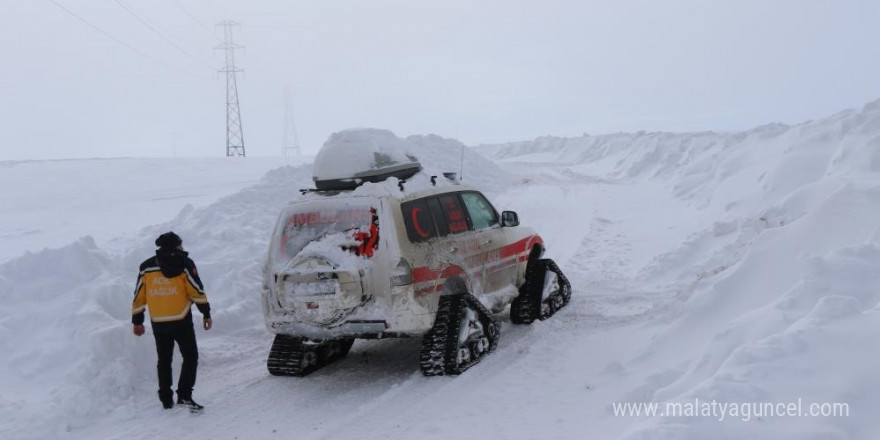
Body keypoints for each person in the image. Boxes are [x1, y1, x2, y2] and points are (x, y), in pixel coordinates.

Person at [131, 231, 212, 411]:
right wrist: (206, 312)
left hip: (158, 321)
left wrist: (137, 321)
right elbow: (196, 291)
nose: (182, 247)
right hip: (181, 319)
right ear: (176, 245)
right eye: (180, 244)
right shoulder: (184, 263)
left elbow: (139, 296)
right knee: (190, 357)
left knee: (164, 359)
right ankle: (184, 395)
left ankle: (166, 399)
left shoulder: (146, 267)